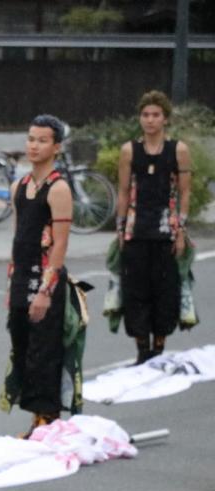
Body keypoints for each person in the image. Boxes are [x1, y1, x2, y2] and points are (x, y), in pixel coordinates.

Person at [0, 114, 86, 434]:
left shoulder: (58, 188)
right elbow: (18, 240)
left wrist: (46, 291)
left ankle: (46, 420)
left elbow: (60, 245)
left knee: (44, 353)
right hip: (22, 279)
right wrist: (12, 284)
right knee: (22, 349)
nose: (34, 146)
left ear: (56, 147)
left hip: (45, 282)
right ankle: (36, 418)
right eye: (31, 138)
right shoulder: (18, 187)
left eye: (42, 140)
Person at [114, 90, 195, 363]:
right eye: (145, 115)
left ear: (165, 119)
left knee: (165, 291)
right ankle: (141, 347)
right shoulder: (129, 151)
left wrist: (181, 229)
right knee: (135, 289)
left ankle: (159, 345)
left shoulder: (178, 150)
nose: (150, 120)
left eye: (156, 115)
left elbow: (184, 193)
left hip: (166, 229)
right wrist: (120, 228)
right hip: (136, 229)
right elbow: (124, 191)